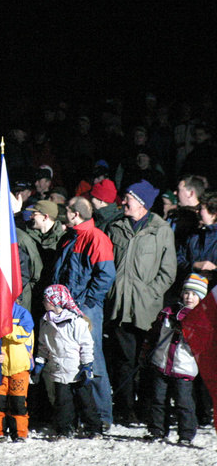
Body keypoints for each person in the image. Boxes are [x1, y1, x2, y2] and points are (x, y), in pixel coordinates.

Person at [106, 180, 176, 425]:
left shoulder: (161, 230)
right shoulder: (115, 227)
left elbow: (168, 271)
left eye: (129, 198)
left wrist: (149, 293)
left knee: (146, 363)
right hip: (119, 307)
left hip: (147, 310)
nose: (124, 202)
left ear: (142, 202)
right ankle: (125, 410)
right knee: (123, 362)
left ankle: (146, 410)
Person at [51, 196, 116, 428]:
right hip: (67, 308)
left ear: (75, 214)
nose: (64, 213)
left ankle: (102, 416)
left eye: (67, 210)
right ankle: (79, 415)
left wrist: (86, 302)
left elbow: (106, 274)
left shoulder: (96, 238)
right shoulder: (70, 237)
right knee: (70, 360)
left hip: (86, 309)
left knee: (92, 359)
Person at [141, 273, 205, 445]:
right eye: (187, 293)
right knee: (158, 399)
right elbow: (154, 333)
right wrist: (146, 351)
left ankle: (186, 434)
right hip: (161, 363)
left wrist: (187, 330)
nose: (189, 297)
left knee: (184, 402)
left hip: (183, 368)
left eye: (194, 294)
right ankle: (157, 430)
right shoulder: (167, 312)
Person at [33, 284, 102, 438]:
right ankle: (65, 429)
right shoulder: (45, 322)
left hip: (76, 368)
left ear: (55, 301)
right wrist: (40, 361)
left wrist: (87, 365)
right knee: (62, 402)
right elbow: (43, 345)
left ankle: (94, 427)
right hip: (57, 368)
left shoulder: (76, 321)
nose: (43, 302)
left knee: (85, 400)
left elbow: (86, 344)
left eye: (46, 299)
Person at [0, 303, 34, 442]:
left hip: (19, 368)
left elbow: (23, 334)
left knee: (18, 403)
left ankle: (19, 433)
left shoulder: (22, 313)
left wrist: (4, 329)